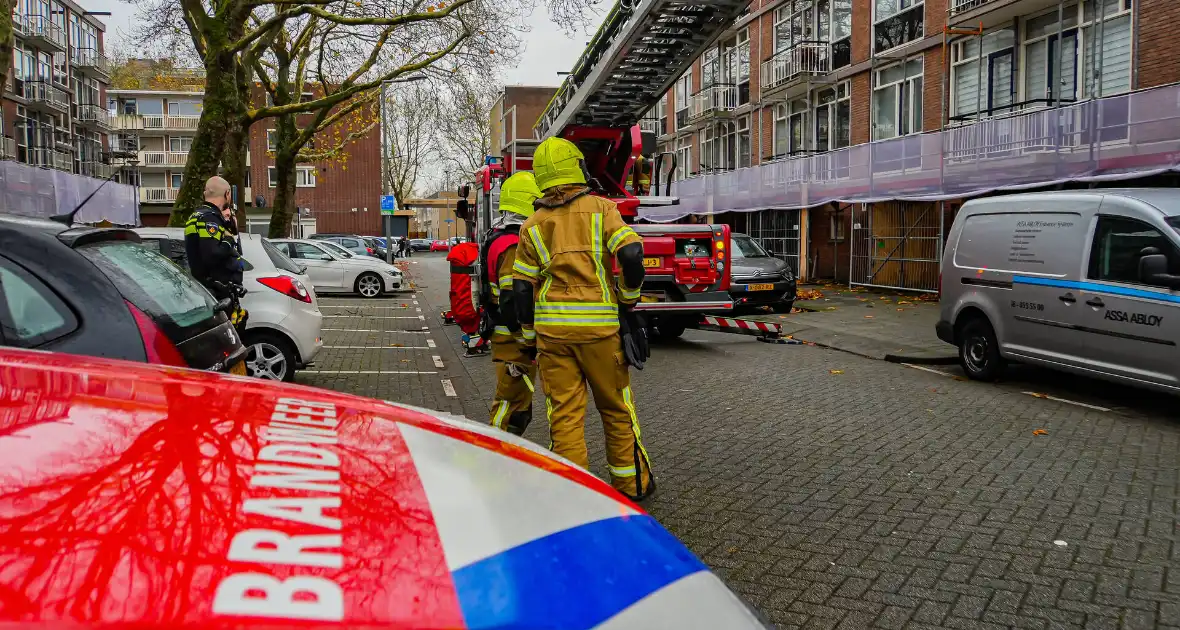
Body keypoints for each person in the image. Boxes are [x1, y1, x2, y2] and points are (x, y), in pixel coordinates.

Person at [512, 137, 654, 502]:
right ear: (578, 167)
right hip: (601, 333)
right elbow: (633, 254)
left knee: (564, 416)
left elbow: (522, 289)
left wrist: (529, 336)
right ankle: (631, 485)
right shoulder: (602, 209)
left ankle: (575, 495)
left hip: (553, 336)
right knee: (616, 409)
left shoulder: (532, 224)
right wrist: (628, 298)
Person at [481, 171, 542, 436]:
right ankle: (496, 456)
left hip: (505, 336)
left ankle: (504, 454)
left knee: (518, 407)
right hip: (512, 340)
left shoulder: (497, 237)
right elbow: (510, 297)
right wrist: (525, 338)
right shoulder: (512, 245)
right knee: (509, 405)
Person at [185, 176, 247, 329]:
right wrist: (229, 239)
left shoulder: (197, 216)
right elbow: (212, 255)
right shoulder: (209, 218)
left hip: (211, 291)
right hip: (217, 294)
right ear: (227, 194)